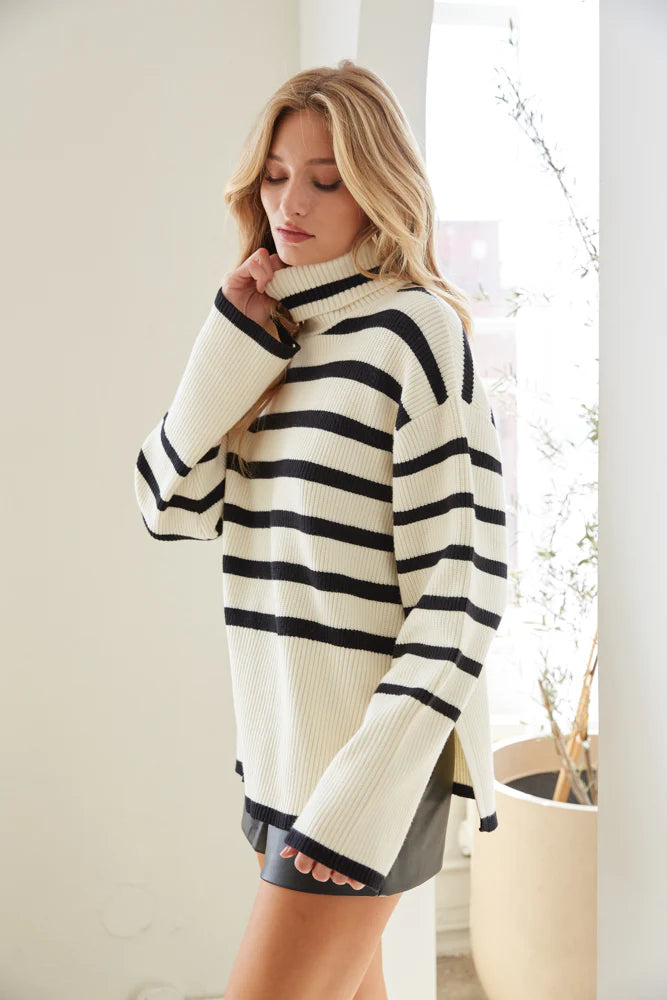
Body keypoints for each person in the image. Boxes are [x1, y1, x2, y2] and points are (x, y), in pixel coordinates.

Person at [134, 60, 509, 1000]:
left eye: (325, 179)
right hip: (284, 763)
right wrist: (228, 339)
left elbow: (460, 593)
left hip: (368, 774)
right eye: (273, 175)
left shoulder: (413, 334)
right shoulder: (274, 339)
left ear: (376, 190)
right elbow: (166, 505)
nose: (289, 203)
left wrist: (361, 796)